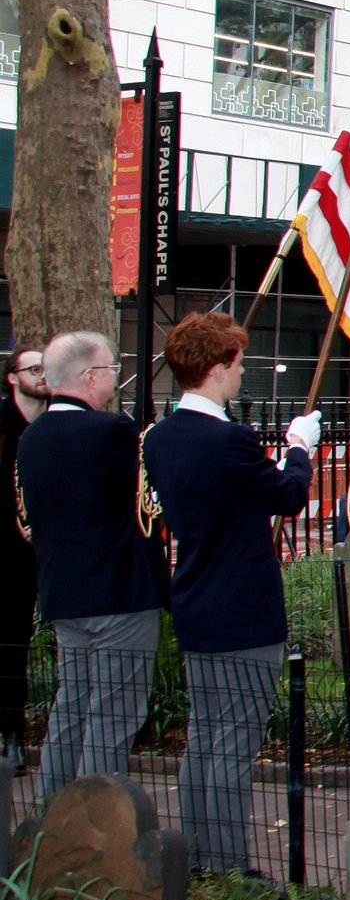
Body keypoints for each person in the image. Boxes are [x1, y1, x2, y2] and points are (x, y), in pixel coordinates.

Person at [138, 313, 317, 875]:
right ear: (218, 370)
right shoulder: (230, 440)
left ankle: (198, 856)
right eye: (237, 364)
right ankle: (227, 865)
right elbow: (288, 496)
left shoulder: (160, 438)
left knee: (205, 737)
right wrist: (299, 448)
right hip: (242, 608)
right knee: (233, 743)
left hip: (195, 599)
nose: (241, 374)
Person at [16, 332, 166, 803]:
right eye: (111, 370)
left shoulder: (31, 438)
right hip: (119, 595)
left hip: (64, 595)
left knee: (71, 710)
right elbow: (152, 499)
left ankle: (49, 819)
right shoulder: (113, 433)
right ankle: (94, 830)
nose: (115, 378)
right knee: (112, 716)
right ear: (89, 376)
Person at [0, 346, 44, 772]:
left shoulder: (51, 422)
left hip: (43, 552)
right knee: (9, 641)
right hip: (7, 549)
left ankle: (14, 730)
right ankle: (10, 734)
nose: (41, 375)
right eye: (33, 368)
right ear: (13, 377)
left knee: (19, 641)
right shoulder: (4, 423)